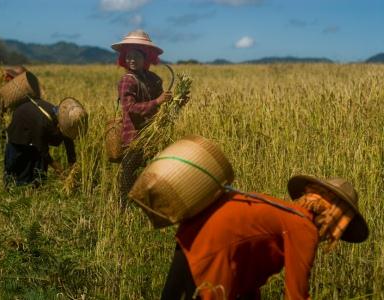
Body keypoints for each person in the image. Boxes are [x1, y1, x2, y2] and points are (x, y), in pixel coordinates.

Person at [161, 175, 369, 300]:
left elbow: (247, 261)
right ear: (334, 219)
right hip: (213, 253)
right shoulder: (303, 228)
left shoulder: (284, 213)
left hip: (190, 235)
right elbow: (296, 294)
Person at [111, 29, 172, 205]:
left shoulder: (152, 78)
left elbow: (163, 100)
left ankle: (147, 204)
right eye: (129, 56)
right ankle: (124, 207)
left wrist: (174, 100)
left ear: (146, 58)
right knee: (129, 172)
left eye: (136, 56)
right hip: (134, 137)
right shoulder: (127, 80)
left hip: (152, 133)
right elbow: (129, 108)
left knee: (150, 171)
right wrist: (158, 101)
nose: (132, 60)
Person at [4, 92, 86, 187]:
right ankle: (13, 183)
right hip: (20, 127)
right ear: (59, 125)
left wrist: (72, 167)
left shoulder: (66, 120)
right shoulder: (42, 122)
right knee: (19, 167)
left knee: (38, 176)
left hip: (37, 128)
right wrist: (57, 167)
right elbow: (41, 148)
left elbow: (69, 141)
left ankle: (35, 184)